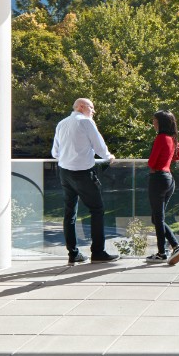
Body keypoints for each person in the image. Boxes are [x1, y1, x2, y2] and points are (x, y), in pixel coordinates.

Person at [51, 98, 118, 264]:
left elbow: (55, 152)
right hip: (83, 173)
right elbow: (99, 147)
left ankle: (73, 254)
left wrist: (68, 158)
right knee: (97, 210)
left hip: (64, 172)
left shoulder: (61, 123)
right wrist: (109, 157)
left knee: (69, 213)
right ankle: (98, 252)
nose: (93, 112)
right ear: (81, 107)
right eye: (91, 107)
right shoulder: (86, 122)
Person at [146, 109, 179, 265]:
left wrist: (159, 160)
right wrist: (168, 158)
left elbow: (151, 162)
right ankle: (172, 248)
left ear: (161, 123)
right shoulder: (172, 138)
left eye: (155, 121)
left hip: (157, 178)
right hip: (169, 179)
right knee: (157, 218)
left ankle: (166, 251)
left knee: (158, 218)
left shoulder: (160, 138)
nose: (153, 123)